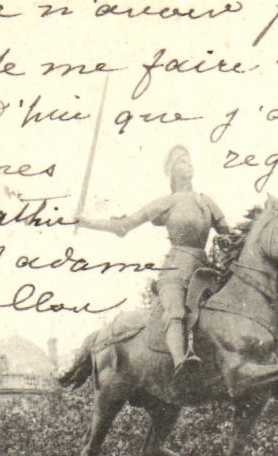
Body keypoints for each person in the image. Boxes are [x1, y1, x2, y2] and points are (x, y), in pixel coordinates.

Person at [75, 145, 232, 380]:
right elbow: (123, 225)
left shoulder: (206, 201)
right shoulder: (165, 202)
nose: (187, 164)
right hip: (175, 271)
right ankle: (180, 362)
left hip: (205, 271)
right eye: (180, 161)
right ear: (170, 171)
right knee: (175, 311)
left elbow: (227, 232)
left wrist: (226, 240)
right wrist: (87, 222)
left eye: (188, 160)